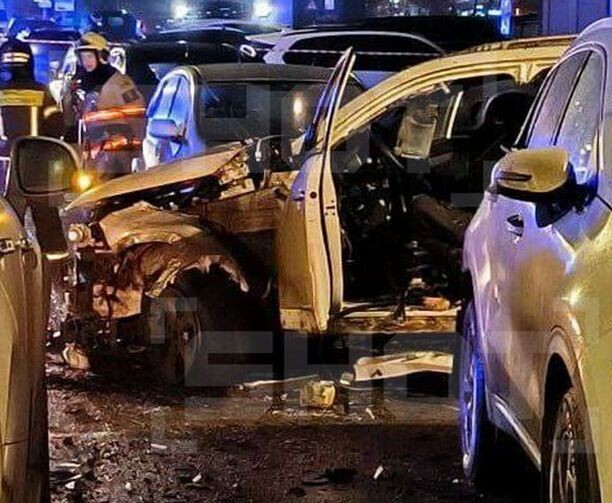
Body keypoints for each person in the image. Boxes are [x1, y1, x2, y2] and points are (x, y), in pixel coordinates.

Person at [64, 32, 145, 178]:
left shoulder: (120, 83)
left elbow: (137, 118)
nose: (86, 61)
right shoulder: (83, 86)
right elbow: (73, 121)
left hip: (117, 160)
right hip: (94, 158)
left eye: (90, 56)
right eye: (83, 57)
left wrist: (134, 156)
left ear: (102, 56)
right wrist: (69, 96)